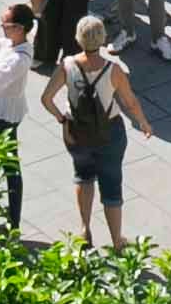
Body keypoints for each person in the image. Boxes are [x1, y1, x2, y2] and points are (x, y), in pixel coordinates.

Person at [45, 14, 147, 248]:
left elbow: (46, 98)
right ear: (103, 39)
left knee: (83, 175)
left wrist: (62, 119)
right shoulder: (113, 70)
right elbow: (130, 102)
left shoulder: (67, 65)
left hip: (76, 132)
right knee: (111, 184)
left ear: (78, 38)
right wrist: (143, 122)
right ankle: (117, 240)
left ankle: (84, 230)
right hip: (109, 131)